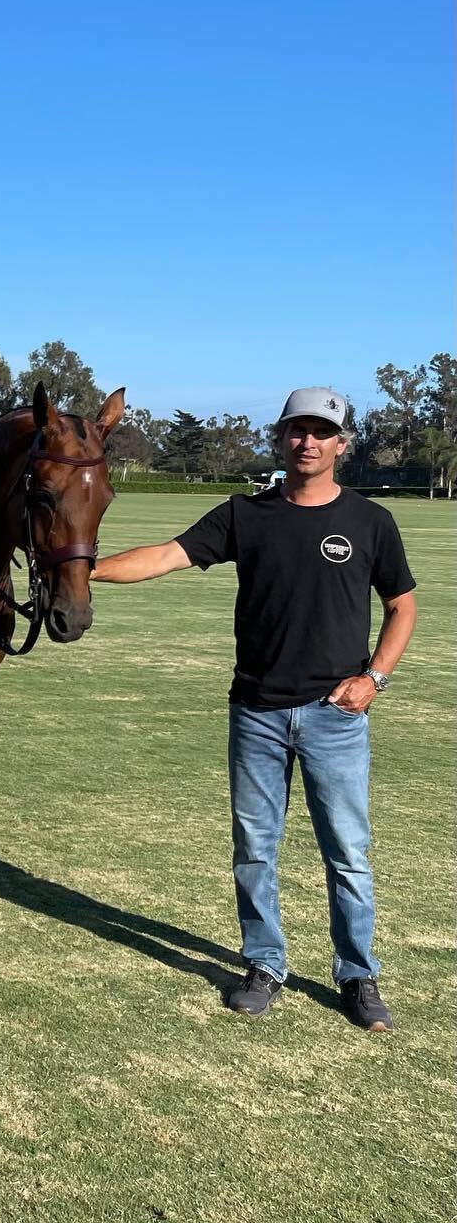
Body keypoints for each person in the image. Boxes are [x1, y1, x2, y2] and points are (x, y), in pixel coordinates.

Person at [92, 387, 417, 1031]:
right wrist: (81, 570)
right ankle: (264, 964)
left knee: (347, 852)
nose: (308, 442)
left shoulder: (370, 522)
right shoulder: (245, 514)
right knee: (254, 849)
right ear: (280, 437)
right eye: (298, 430)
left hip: (335, 716)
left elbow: (402, 606)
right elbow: (165, 555)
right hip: (257, 714)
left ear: (341, 445)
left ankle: (357, 976)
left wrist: (373, 679)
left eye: (322, 432)